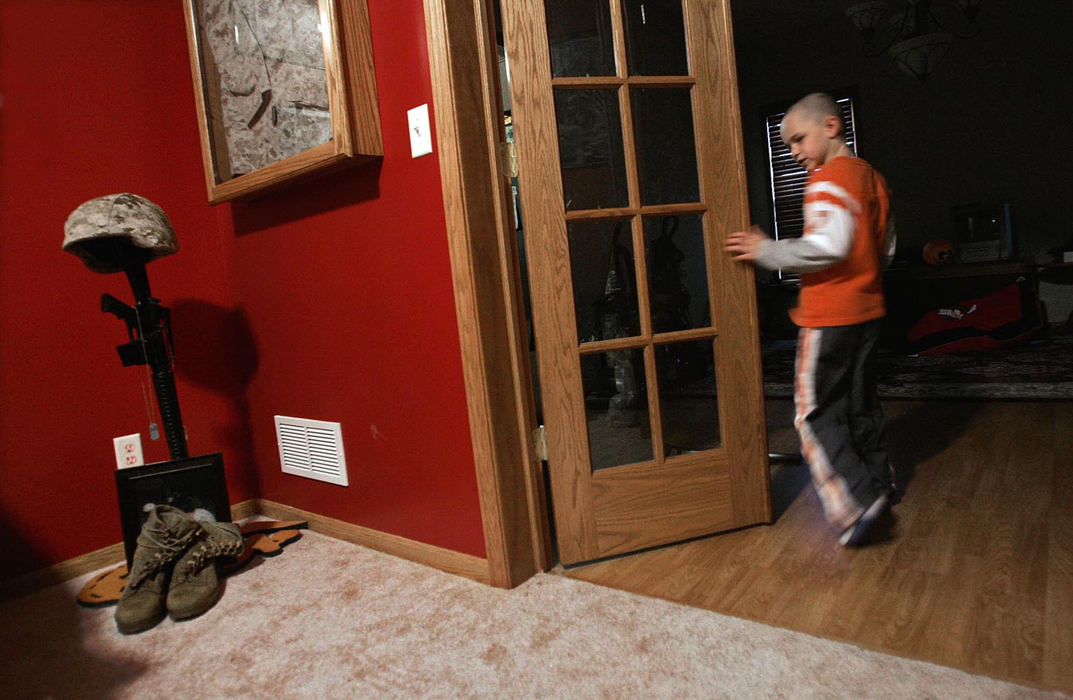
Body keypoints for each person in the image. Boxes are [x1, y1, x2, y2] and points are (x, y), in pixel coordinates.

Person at [725, 92, 897, 547]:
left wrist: (768, 252)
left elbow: (828, 246)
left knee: (813, 411)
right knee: (860, 403)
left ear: (830, 127)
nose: (795, 152)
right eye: (787, 145)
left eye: (798, 139)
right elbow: (889, 248)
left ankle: (854, 502)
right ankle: (879, 482)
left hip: (828, 315)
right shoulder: (872, 179)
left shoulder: (827, 179)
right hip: (868, 310)